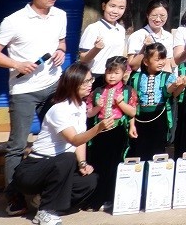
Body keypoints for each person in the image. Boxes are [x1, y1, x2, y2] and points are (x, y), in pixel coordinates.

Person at [0, 0, 68, 216]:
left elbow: (62, 42)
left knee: (58, 138)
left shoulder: (60, 15)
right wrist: (17, 64)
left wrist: (61, 51)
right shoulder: (14, 20)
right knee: (18, 145)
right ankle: (13, 195)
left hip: (54, 85)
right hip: (23, 91)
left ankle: (50, 189)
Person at [10, 63, 119, 225]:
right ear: (73, 84)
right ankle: (45, 212)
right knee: (67, 158)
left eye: (91, 80)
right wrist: (98, 128)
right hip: (33, 170)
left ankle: (43, 200)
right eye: (86, 82)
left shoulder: (81, 106)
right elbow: (74, 140)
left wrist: (82, 163)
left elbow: (81, 138)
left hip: (58, 168)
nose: (90, 84)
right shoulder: (59, 109)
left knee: (89, 181)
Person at [84, 56, 133, 211]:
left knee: (114, 166)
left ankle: (111, 198)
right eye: (109, 72)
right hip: (99, 132)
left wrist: (120, 103)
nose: (112, 76)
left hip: (118, 132)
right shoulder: (97, 91)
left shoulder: (127, 91)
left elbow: (133, 111)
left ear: (123, 74)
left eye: (116, 73)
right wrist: (98, 108)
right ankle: (95, 199)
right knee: (98, 165)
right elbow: (89, 114)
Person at [127, 43, 183, 160]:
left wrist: (178, 85)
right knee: (138, 149)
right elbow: (132, 103)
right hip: (140, 117)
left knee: (157, 150)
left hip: (159, 117)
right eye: (157, 59)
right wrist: (132, 125)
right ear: (146, 62)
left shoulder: (168, 76)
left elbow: (172, 94)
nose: (161, 62)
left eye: (163, 58)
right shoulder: (136, 77)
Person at [77, 0, 127, 87]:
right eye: (112, 6)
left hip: (115, 78)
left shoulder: (121, 30)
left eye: (121, 8)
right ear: (104, 6)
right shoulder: (93, 28)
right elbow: (83, 58)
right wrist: (96, 48)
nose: (116, 11)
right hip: (96, 77)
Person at [126, 0, 174, 71]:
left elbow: (167, 63)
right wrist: (144, 48)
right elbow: (132, 66)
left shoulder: (169, 36)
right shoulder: (137, 35)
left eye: (162, 16)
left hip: (161, 79)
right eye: (154, 15)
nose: (158, 19)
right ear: (147, 15)